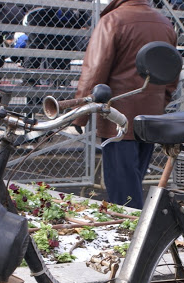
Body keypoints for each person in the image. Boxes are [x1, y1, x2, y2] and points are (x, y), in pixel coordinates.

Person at [73, 0, 177, 209]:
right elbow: (171, 73)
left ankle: (134, 237)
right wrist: (160, 103)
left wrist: (79, 114)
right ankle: (138, 233)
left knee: (124, 195)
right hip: (150, 119)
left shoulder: (113, 20)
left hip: (118, 118)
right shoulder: (165, 24)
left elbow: (95, 70)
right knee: (133, 183)